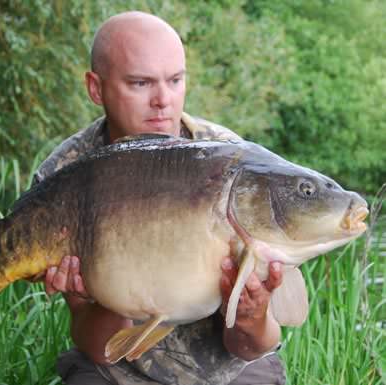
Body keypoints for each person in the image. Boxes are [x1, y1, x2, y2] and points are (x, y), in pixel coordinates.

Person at [33, 11, 286, 385]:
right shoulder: (65, 178)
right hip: (119, 368)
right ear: (95, 88)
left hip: (229, 368)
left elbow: (252, 345)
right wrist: (91, 293)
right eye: (140, 83)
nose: (163, 100)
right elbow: (98, 344)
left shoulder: (232, 164)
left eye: (175, 80)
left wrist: (252, 313)